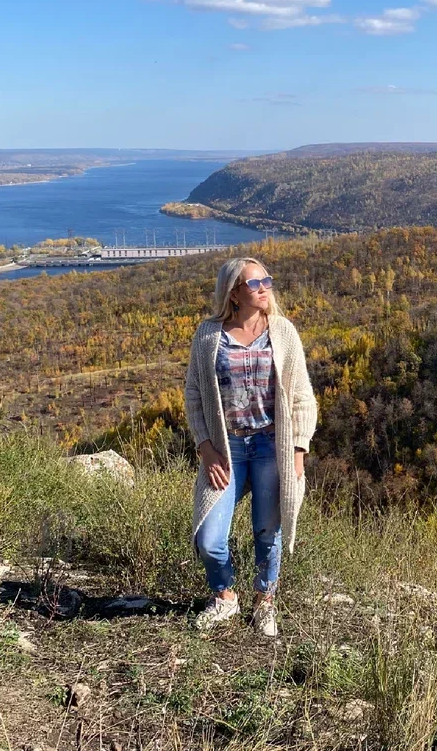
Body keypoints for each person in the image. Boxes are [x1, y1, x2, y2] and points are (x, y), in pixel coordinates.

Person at [184, 256, 317, 635]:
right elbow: (194, 395)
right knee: (209, 538)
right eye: (255, 283)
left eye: (267, 281)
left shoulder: (283, 332)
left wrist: (298, 449)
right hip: (228, 449)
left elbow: (303, 395)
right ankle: (225, 597)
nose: (265, 289)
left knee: (267, 530)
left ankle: (264, 601)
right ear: (234, 292)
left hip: (271, 446)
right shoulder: (209, 335)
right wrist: (206, 448)